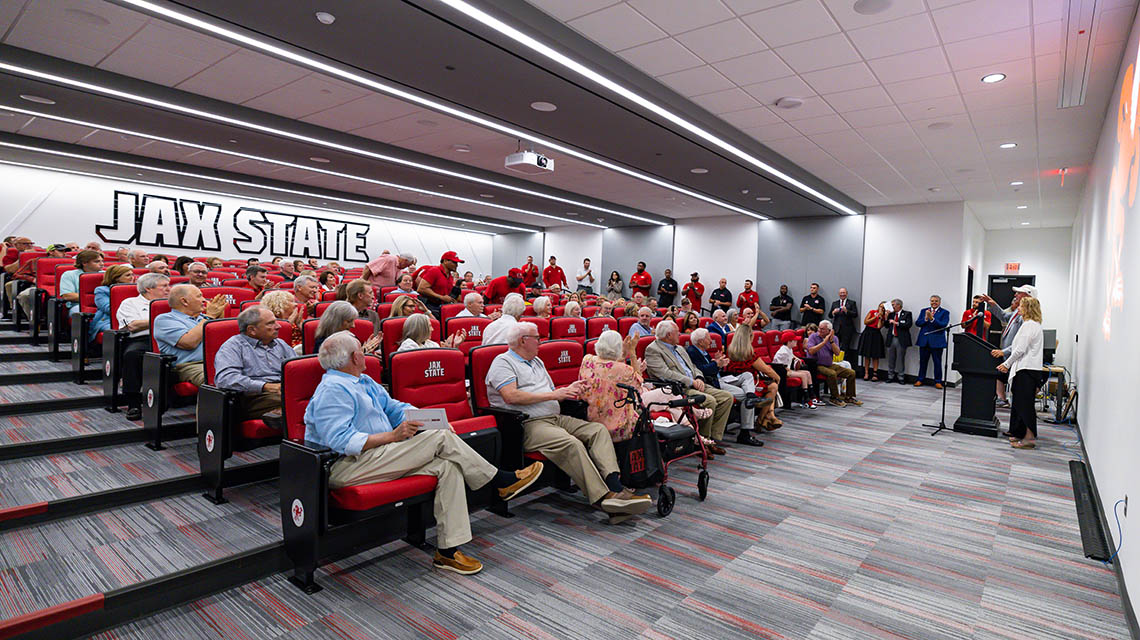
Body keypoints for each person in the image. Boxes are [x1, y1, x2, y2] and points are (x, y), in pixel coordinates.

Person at [306, 331, 543, 575]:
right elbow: (340, 440)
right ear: (355, 357)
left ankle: (448, 552)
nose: (366, 354)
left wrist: (432, 420)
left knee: (447, 466)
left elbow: (397, 409)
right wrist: (393, 436)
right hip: (347, 466)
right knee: (440, 438)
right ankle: (500, 481)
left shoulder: (364, 382)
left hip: (379, 456)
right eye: (362, 351)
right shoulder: (333, 389)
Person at [486, 323, 651, 518]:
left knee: (597, 431)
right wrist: (555, 395)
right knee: (571, 443)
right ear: (523, 340)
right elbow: (511, 396)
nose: (540, 341)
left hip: (555, 417)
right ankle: (604, 498)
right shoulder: (503, 362)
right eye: (537, 338)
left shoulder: (536, 361)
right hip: (527, 424)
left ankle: (616, 487)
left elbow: (546, 391)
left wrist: (569, 389)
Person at [644, 320, 735, 453]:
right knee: (709, 401)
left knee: (727, 397)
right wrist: (691, 381)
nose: (680, 335)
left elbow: (693, 367)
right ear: (669, 335)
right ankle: (701, 441)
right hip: (677, 388)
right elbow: (665, 374)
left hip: (695, 383)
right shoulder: (653, 349)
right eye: (677, 332)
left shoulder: (680, 348)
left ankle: (713, 439)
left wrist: (698, 377)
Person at [689, 328, 769, 446]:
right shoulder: (692, 352)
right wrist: (716, 364)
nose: (711, 341)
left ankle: (751, 395)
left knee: (747, 375)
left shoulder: (704, 351)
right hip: (713, 383)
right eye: (708, 338)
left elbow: (711, 368)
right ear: (700, 341)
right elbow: (700, 371)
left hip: (721, 379)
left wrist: (718, 363)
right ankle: (745, 433)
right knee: (746, 398)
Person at [214, 306, 296, 420]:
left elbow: (296, 369)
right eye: (270, 323)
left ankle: (280, 415)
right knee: (293, 402)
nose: (278, 326)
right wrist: (265, 386)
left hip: (283, 390)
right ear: (251, 330)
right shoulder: (233, 346)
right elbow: (226, 379)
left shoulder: (280, 344)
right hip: (254, 396)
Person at [114, 273, 172, 419]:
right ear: (148, 288)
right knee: (132, 355)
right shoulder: (130, 303)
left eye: (168, 286)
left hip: (168, 338)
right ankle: (133, 403)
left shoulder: (172, 302)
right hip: (142, 339)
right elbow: (133, 325)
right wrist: (161, 319)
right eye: (164, 286)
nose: (168, 289)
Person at [577, 331, 647, 442]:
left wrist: (623, 354)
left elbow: (609, 369)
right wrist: (632, 352)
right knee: (644, 416)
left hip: (590, 420)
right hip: (618, 427)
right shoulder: (624, 370)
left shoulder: (587, 360)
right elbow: (638, 387)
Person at [154, 284, 228, 387]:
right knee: (225, 379)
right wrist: (210, 317)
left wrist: (218, 317)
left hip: (218, 361)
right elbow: (189, 343)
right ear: (184, 301)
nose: (204, 300)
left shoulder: (202, 318)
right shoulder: (165, 319)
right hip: (191, 365)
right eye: (199, 296)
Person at [997, 297, 1044, 449]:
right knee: (1020, 404)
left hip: (1026, 370)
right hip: (1028, 369)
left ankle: (1029, 439)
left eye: (1021, 307)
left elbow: (1020, 349)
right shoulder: (1032, 325)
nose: (1018, 310)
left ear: (1028, 309)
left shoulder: (1029, 326)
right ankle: (1021, 434)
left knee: (1025, 405)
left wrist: (1006, 363)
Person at [983, 285, 1036, 408]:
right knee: (1001, 374)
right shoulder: (1018, 312)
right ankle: (1003, 399)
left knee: (1014, 380)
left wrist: (1005, 351)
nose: (1015, 295)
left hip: (1016, 354)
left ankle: (1013, 403)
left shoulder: (1027, 317)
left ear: (1027, 296)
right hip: (1008, 352)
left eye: (1018, 293)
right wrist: (993, 304)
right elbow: (1004, 317)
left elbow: (1023, 343)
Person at [806, 320, 861, 406]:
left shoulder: (834, 338)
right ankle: (834, 397)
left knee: (851, 373)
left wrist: (831, 341)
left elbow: (837, 353)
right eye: (819, 328)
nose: (819, 331)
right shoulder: (813, 337)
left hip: (829, 364)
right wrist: (824, 342)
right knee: (832, 373)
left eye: (822, 329)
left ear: (829, 331)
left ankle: (849, 397)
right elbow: (811, 351)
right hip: (817, 365)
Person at [88, 264, 135, 343]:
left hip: (133, 318)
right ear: (116, 278)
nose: (132, 277)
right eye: (128, 275)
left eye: (132, 274)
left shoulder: (136, 289)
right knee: (125, 331)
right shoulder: (101, 290)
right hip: (109, 320)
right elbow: (109, 309)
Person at [313, 300, 381, 354]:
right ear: (336, 322)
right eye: (349, 321)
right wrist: (363, 351)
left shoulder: (349, 337)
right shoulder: (324, 343)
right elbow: (341, 364)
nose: (353, 326)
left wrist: (364, 349)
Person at [914, 295, 950, 388]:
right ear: (930, 301)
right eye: (932, 301)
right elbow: (918, 323)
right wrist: (926, 318)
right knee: (922, 362)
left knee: (937, 362)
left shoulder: (945, 312)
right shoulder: (924, 310)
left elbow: (943, 325)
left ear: (939, 302)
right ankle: (920, 379)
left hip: (937, 342)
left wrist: (932, 319)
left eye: (936, 301)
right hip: (924, 340)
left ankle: (938, 381)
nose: (934, 302)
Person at [771, 335, 816, 408]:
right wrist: (796, 371)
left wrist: (797, 359)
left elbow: (792, 356)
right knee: (803, 375)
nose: (796, 342)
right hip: (781, 372)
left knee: (807, 373)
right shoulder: (783, 352)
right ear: (789, 342)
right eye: (794, 340)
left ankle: (812, 395)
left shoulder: (789, 349)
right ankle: (807, 399)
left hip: (787, 370)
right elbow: (783, 367)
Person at [58, 250, 105, 315]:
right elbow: (67, 296)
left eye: (102, 261)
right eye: (97, 261)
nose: (102, 264)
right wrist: (98, 298)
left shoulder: (105, 274)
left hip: (102, 304)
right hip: (78, 305)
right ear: (84, 263)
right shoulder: (69, 275)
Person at [417, 251, 461, 317]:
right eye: (454, 262)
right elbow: (421, 289)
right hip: (430, 307)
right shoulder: (434, 271)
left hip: (441, 308)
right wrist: (441, 297)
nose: (457, 265)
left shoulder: (450, 276)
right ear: (445, 261)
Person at [397, 312, 465, 352]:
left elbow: (443, 365)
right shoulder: (408, 346)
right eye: (429, 326)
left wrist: (454, 347)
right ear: (421, 329)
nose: (432, 329)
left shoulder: (432, 344)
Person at [885, 299, 913, 384]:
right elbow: (886, 326)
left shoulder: (907, 314)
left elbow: (908, 324)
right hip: (891, 338)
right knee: (891, 358)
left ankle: (901, 377)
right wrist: (886, 317)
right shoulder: (891, 314)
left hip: (901, 339)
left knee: (900, 358)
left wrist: (896, 323)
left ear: (899, 305)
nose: (892, 306)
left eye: (893, 305)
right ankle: (890, 376)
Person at [859, 301, 888, 381]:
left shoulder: (884, 317)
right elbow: (866, 322)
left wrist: (880, 318)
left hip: (876, 334)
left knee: (875, 355)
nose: (881, 308)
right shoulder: (872, 312)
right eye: (880, 306)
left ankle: (875, 373)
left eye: (883, 307)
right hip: (868, 333)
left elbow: (879, 327)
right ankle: (866, 373)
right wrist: (875, 317)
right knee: (867, 354)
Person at [829, 288, 859, 353]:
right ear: (839, 294)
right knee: (835, 345)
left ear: (846, 293)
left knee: (845, 347)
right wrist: (833, 312)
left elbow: (855, 314)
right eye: (841, 293)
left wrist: (846, 311)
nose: (842, 294)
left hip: (847, 329)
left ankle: (844, 362)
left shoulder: (852, 303)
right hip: (836, 328)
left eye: (844, 293)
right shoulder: (835, 303)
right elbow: (830, 315)